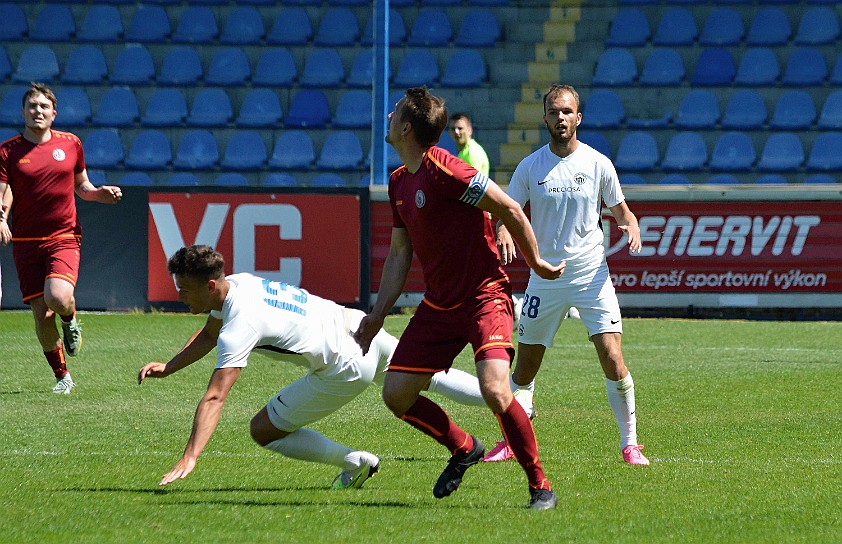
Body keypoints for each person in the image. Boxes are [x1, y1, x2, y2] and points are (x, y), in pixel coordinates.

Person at [354, 87, 565, 510]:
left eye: (395, 112)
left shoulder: (448, 170)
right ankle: (463, 446)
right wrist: (377, 315)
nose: (389, 116)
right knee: (396, 394)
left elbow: (509, 207)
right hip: (439, 305)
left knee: (494, 389)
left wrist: (536, 262)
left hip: (484, 296)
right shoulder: (399, 183)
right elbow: (399, 253)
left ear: (406, 127)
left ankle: (540, 486)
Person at [138, 245, 490, 489]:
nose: (180, 296)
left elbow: (215, 398)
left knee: (262, 430)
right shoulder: (238, 284)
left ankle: (355, 462)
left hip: (345, 365)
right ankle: (513, 402)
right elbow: (209, 333)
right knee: (429, 378)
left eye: (184, 289)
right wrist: (170, 367)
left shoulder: (240, 324)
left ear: (210, 285)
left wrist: (190, 456)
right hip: (359, 325)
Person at [487, 84, 649, 466]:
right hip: (545, 277)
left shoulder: (598, 164)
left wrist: (632, 224)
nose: (560, 118)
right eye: (553, 111)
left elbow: (622, 210)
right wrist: (504, 230)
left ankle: (630, 443)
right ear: (545, 118)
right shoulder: (530, 166)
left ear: (578, 118)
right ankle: (511, 440)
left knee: (612, 358)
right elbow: (508, 210)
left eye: (566, 111)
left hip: (592, 277)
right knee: (524, 368)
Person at [0, 83, 122, 394]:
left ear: (54, 113)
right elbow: (4, 192)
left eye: (43, 106)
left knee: (57, 297)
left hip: (63, 236)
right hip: (26, 243)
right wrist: (1, 219)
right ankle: (62, 376)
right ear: (23, 112)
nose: (37, 111)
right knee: (41, 314)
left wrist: (99, 194)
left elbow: (82, 186)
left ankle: (70, 318)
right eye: (31, 106)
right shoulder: (8, 151)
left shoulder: (71, 144)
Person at [448, 112, 490, 177]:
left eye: (460, 128)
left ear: (469, 130)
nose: (456, 132)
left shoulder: (472, 152)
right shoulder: (463, 152)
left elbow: (473, 183)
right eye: (453, 129)